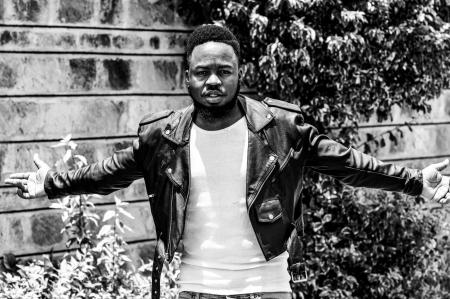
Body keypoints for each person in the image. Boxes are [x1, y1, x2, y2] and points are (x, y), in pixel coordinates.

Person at [5, 24, 450, 299]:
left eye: (224, 70)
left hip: (268, 285)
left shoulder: (282, 128)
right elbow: (107, 173)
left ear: (240, 74)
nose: (213, 80)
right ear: (187, 78)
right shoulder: (162, 137)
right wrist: (51, 184)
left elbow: (349, 163)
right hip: (197, 287)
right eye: (202, 72)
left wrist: (415, 182)